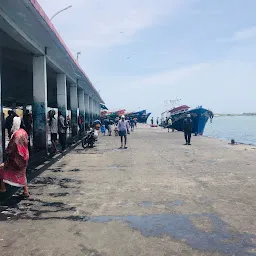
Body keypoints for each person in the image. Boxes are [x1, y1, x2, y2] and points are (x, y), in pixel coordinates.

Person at [0, 117, 29, 197]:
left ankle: (3, 188)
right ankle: (26, 191)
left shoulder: (16, 135)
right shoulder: (23, 132)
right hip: (25, 156)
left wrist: (6, 153)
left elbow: (11, 148)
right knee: (23, 174)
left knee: (1, 169)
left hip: (16, 159)